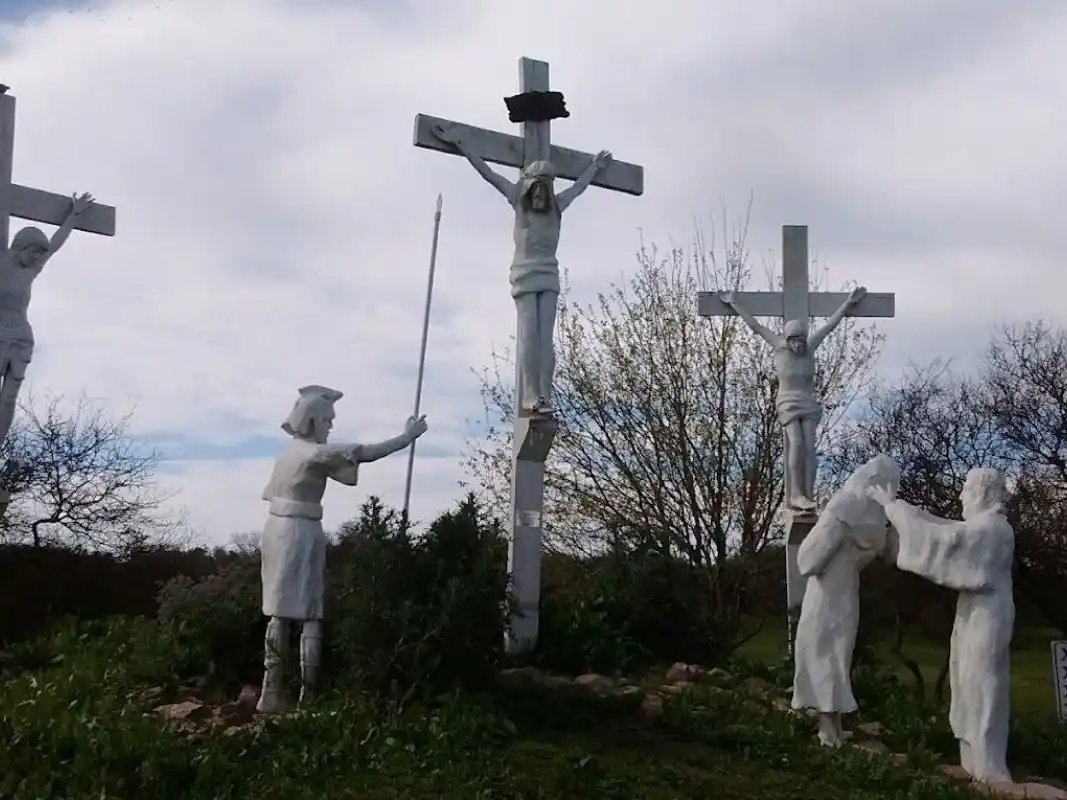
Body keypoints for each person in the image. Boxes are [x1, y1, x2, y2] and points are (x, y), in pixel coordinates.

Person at [257, 385, 428, 713]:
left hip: (276, 530)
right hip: (299, 532)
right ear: (313, 420)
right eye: (327, 420)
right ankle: (308, 696)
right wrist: (406, 438)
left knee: (278, 612)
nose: (331, 426)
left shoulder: (288, 453)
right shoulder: (311, 454)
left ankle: (272, 692)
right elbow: (362, 451)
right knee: (310, 615)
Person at [431, 121, 612, 417]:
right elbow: (487, 173)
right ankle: (530, 395)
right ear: (529, 187)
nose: (541, 194)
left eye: (546, 188)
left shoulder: (558, 206)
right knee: (529, 335)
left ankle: (545, 394)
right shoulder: (517, 199)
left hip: (549, 274)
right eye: (537, 188)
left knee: (545, 341)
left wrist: (595, 167)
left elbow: (578, 188)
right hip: (525, 274)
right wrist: (461, 144)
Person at [867, 468, 1014, 784]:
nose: (961, 496)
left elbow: (948, 540)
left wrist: (896, 509)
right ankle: (974, 759)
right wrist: (903, 509)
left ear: (984, 494)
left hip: (988, 616)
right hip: (974, 611)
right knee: (966, 679)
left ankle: (990, 766)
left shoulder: (994, 529)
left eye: (966, 490)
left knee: (982, 683)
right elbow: (945, 527)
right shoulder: (985, 526)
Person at [721, 287, 866, 511]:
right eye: (794, 341)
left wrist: (848, 304)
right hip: (788, 401)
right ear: (787, 340)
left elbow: (829, 326)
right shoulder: (779, 349)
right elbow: (756, 327)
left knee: (809, 448)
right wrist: (734, 304)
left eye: (801, 340)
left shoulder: (810, 348)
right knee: (796, 444)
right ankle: (796, 494)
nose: (798, 345)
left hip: (807, 402)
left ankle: (808, 493)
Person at [791, 453, 900, 746]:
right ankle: (831, 725)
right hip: (844, 591)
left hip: (826, 592)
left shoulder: (846, 505)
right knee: (835, 652)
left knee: (824, 651)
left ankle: (829, 727)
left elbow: (808, 560)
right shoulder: (875, 518)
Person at [0, 192, 95, 448]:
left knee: (8, 399)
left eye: (40, 254)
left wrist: (74, 214)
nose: (38, 258)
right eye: (34, 252)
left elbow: (56, 244)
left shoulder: (31, 270)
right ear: (20, 246)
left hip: (20, 338)